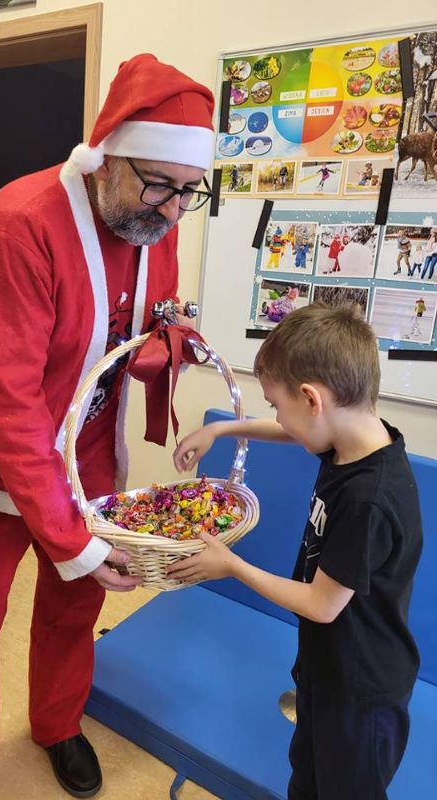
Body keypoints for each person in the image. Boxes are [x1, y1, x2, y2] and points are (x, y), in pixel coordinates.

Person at [0, 53, 215, 800]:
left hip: (85, 447)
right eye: (159, 183)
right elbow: (11, 407)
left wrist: (171, 343)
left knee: (74, 605)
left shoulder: (156, 219)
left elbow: (137, 337)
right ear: (107, 156)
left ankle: (56, 722)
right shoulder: (16, 227)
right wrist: (69, 540)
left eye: (190, 191)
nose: (172, 210)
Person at [169, 303, 422, 800]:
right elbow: (294, 428)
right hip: (326, 668)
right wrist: (220, 429)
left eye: (276, 404)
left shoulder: (370, 498)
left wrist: (231, 565)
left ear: (311, 399)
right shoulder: (351, 437)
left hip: (360, 694)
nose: (278, 417)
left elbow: (321, 604)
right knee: (306, 778)